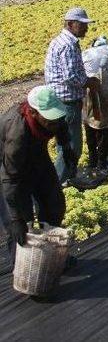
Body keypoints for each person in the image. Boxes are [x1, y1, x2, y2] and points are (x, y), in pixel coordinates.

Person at [0, 86, 74, 267]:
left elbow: (61, 125)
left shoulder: (53, 118)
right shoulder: (17, 133)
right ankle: (23, 266)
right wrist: (16, 219)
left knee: (54, 205)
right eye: (50, 120)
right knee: (20, 224)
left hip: (37, 156)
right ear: (33, 113)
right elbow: (11, 180)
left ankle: (50, 256)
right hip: (9, 169)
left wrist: (66, 148)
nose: (55, 123)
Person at [44, 7, 101, 184]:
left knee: (65, 143)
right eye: (82, 24)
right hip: (67, 101)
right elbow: (70, 76)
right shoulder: (67, 45)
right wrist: (89, 82)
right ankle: (56, 185)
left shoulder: (61, 41)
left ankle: (69, 178)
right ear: (70, 24)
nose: (86, 28)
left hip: (60, 99)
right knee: (72, 146)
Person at [82, 35, 108, 171]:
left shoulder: (85, 53)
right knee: (104, 124)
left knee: (89, 122)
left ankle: (92, 159)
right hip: (104, 90)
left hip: (87, 90)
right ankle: (102, 161)